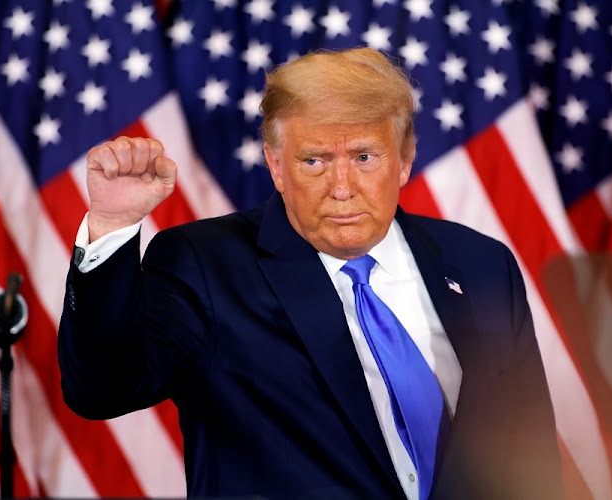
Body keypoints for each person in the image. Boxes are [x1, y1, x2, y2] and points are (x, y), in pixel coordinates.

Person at [58, 48, 563, 499]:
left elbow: (530, 455)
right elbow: (102, 390)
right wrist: (112, 226)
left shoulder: (480, 263)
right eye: (315, 161)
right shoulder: (205, 265)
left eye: (365, 157)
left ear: (404, 159)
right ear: (276, 166)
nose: (341, 187)